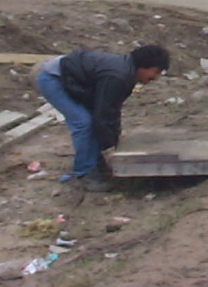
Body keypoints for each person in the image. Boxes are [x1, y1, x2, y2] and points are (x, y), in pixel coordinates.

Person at [35, 45, 170, 191]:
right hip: (53, 79)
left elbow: (111, 109)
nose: (155, 78)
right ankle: (84, 173)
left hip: (74, 80)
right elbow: (104, 114)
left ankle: (93, 159)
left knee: (93, 121)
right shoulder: (118, 76)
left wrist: (113, 138)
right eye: (155, 72)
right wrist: (109, 145)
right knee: (83, 123)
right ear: (144, 66)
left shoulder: (126, 72)